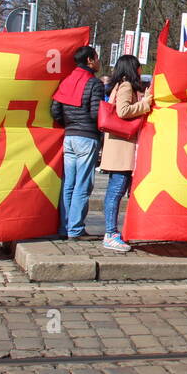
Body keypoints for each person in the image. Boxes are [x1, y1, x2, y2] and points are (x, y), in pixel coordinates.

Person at [98, 55, 153, 252]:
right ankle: (110, 233)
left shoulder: (122, 85)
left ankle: (112, 232)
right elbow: (123, 111)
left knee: (117, 190)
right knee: (116, 190)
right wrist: (145, 103)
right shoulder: (126, 86)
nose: (140, 70)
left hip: (120, 146)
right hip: (121, 148)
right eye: (138, 67)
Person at [51, 45, 104, 240]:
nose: (99, 61)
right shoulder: (94, 84)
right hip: (87, 136)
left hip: (69, 136)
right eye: (97, 58)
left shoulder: (66, 81)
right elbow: (95, 112)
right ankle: (75, 229)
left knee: (69, 185)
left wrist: (69, 122)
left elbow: (55, 110)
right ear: (90, 60)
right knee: (83, 184)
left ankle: (65, 227)